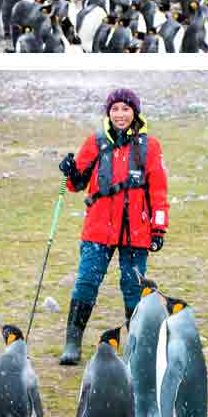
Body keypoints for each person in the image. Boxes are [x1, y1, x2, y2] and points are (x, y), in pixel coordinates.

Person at [56, 87, 169, 365]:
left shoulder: (149, 146)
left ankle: (136, 347)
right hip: (98, 228)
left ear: (135, 113)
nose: (120, 114)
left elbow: (158, 190)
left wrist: (159, 227)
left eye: (126, 109)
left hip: (136, 230)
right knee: (86, 281)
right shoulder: (94, 142)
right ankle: (73, 342)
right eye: (115, 109)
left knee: (133, 286)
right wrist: (69, 169)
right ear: (108, 112)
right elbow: (75, 184)